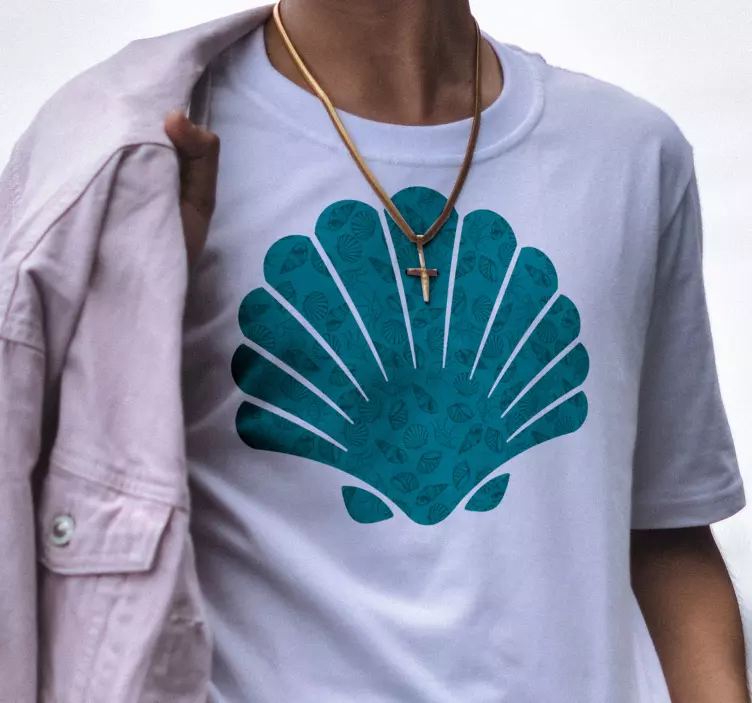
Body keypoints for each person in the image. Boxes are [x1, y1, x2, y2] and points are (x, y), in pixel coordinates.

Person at [0, 1, 746, 702]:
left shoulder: (628, 156)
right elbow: (34, 489)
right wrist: (133, 302)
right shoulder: (126, 154)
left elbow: (668, 537)